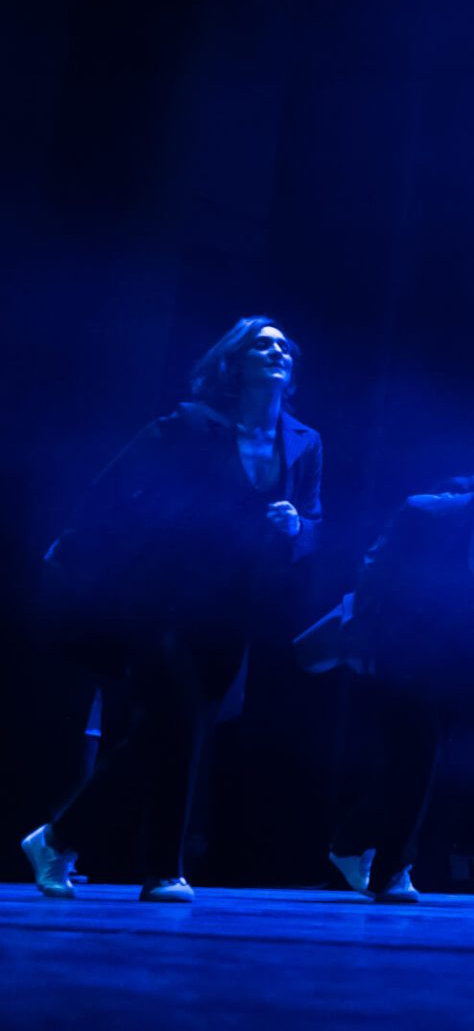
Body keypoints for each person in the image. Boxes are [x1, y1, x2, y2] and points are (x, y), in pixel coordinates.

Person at [21, 317, 323, 903]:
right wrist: (76, 557)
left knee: (179, 731)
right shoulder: (189, 425)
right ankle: (159, 867)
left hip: (238, 602)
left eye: (284, 345)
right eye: (262, 344)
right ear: (234, 362)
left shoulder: (305, 440)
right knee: (177, 722)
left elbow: (314, 520)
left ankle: (63, 838)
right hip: (167, 592)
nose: (276, 351)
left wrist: (296, 529)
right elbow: (110, 491)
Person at [320, 437, 474, 903]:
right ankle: (393, 870)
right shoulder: (428, 512)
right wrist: (361, 639)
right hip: (404, 650)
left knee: (414, 765)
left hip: (462, 664)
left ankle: (347, 845)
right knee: (418, 758)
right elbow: (375, 570)